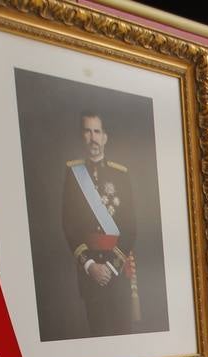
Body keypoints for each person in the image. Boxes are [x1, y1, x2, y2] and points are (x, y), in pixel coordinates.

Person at [62, 111, 138, 337]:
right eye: (88, 131)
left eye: (97, 131)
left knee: (124, 336)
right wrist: (91, 266)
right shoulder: (73, 174)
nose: (93, 137)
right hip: (90, 273)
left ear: (105, 137)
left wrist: (111, 266)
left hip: (118, 269)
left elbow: (130, 227)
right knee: (98, 334)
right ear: (82, 136)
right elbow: (69, 226)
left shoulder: (121, 175)